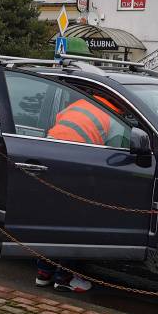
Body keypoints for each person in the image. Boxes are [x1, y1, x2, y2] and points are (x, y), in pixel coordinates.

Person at [34, 96, 117, 292]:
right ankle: (65, 277)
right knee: (76, 223)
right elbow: (113, 154)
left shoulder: (80, 104)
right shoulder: (113, 118)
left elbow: (58, 122)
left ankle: (43, 272)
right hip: (73, 164)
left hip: (49, 154)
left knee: (53, 220)